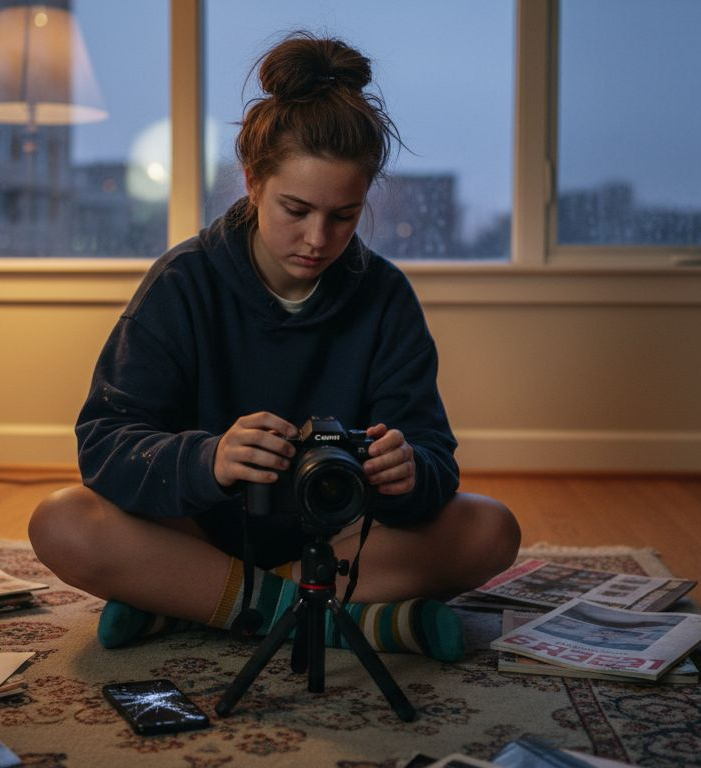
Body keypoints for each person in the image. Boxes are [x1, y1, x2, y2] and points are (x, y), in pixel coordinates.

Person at [29, 32, 520, 663]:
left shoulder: (386, 296)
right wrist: (209, 459)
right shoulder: (184, 282)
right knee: (60, 520)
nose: (318, 238)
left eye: (344, 215)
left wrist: (408, 472)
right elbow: (103, 443)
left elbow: (435, 462)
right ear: (253, 181)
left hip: (338, 540)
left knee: (490, 528)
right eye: (296, 208)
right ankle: (356, 622)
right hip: (196, 532)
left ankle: (195, 605)